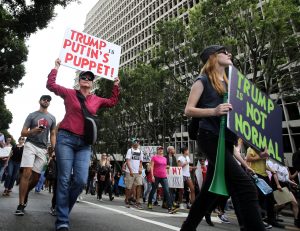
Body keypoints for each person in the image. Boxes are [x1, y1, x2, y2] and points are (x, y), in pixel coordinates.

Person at [181, 45, 265, 231]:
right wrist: (214, 110)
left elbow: (239, 120)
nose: (230, 54)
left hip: (226, 140)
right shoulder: (201, 81)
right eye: (225, 52)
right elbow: (188, 110)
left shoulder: (230, 84)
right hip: (210, 138)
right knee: (246, 186)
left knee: (208, 194)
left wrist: (258, 148)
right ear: (213, 56)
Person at [46, 58, 120, 231]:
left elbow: (112, 102)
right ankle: (63, 219)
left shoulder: (97, 99)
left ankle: (62, 209)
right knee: (64, 179)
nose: (86, 79)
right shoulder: (69, 93)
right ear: (79, 81)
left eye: (89, 78)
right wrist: (56, 67)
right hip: (65, 139)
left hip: (84, 144)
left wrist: (116, 85)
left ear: (93, 83)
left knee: (79, 181)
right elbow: (51, 85)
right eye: (83, 77)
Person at [15, 95, 56, 216]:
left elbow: (53, 134)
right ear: (40, 101)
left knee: (37, 178)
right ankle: (21, 204)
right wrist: (33, 131)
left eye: (48, 100)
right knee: (27, 172)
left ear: (49, 103)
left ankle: (25, 191)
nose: (46, 101)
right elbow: (23, 132)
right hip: (30, 145)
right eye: (44, 99)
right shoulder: (32, 115)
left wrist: (54, 148)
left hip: (43, 148)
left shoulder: (52, 117)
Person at [246, 147, 284, 229]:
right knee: (260, 198)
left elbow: (263, 163)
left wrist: (271, 169)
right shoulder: (251, 148)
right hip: (256, 175)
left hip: (265, 176)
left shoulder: (263, 149)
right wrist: (261, 156)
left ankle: (271, 219)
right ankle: (258, 220)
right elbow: (248, 159)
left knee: (270, 198)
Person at [147, 146, 177, 214]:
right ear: (157, 150)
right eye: (159, 149)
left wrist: (167, 167)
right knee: (153, 190)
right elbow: (152, 167)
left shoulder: (164, 158)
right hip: (156, 176)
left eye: (162, 149)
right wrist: (152, 176)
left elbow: (164, 166)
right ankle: (149, 203)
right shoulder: (154, 157)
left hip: (164, 176)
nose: (161, 150)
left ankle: (170, 207)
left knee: (167, 191)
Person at [124, 138, 143, 209]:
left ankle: (137, 201)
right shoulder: (130, 150)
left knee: (139, 185)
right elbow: (128, 160)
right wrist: (130, 170)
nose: (136, 143)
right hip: (130, 172)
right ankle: (127, 200)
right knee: (128, 187)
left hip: (137, 172)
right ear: (132, 143)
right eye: (135, 142)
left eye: (137, 142)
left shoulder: (140, 151)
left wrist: (140, 168)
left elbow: (141, 161)